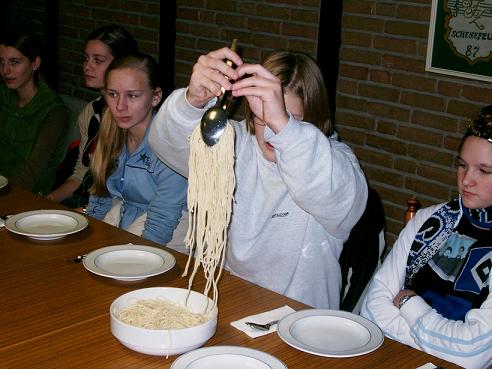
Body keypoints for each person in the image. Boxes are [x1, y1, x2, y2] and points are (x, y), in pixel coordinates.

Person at [149, 47, 368, 308]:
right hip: (228, 301)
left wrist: (286, 129)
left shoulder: (331, 159)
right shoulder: (237, 142)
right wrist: (191, 102)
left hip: (299, 319)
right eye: (262, 118)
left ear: (314, 117)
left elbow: (339, 200)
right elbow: (166, 142)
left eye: (290, 120)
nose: (270, 133)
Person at [361, 106, 492, 369]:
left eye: (484, 171)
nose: (466, 180)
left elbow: (471, 353)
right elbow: (372, 309)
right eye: (462, 165)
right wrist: (444, 345)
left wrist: (408, 302)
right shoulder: (430, 221)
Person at [85, 53, 188, 245]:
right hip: (127, 213)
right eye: (112, 94)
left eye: (132, 95)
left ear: (156, 97)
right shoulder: (111, 133)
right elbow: (100, 197)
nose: (119, 106)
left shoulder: (171, 144)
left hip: (173, 225)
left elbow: (163, 218)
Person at [46, 25, 138, 208]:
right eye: (86, 58)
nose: (87, 67)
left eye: (98, 60)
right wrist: (48, 200)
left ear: (121, 63)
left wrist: (87, 211)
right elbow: (82, 172)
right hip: (89, 201)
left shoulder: (134, 115)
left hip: (119, 209)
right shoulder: (91, 111)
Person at [0, 29, 68, 195]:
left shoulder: (53, 110)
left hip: (25, 195)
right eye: (1, 62)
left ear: (35, 63)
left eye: (14, 62)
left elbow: (32, 174)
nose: (5, 70)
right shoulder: (3, 94)